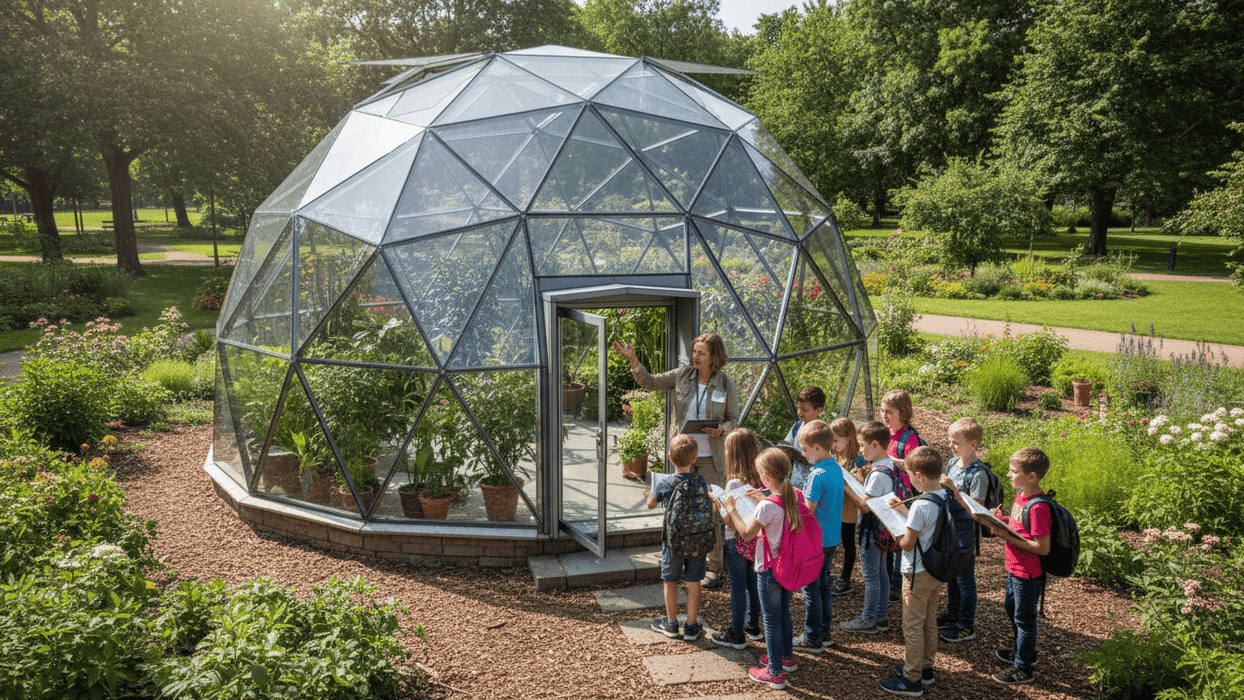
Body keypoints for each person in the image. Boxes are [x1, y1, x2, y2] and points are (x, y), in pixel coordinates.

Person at [615, 332, 740, 588]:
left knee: (713, 512)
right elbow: (650, 382)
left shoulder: (727, 384)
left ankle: (714, 566)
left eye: (701, 353)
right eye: (694, 351)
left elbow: (734, 419)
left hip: (711, 458)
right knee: (679, 509)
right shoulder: (683, 375)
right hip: (684, 456)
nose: (695, 357)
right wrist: (633, 360)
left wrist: (722, 429)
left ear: (714, 357)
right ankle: (681, 559)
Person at [947, 446, 1051, 685]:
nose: (1008, 475)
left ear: (1031, 476)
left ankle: (1023, 666)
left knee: (1025, 619)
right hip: (1014, 569)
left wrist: (1005, 536)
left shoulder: (1038, 507)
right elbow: (1019, 526)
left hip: (1028, 573)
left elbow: (1042, 547)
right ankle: (1022, 651)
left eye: (1013, 471)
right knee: (1012, 610)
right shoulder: (1021, 495)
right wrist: (1002, 520)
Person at [712, 448, 803, 690]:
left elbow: (746, 533)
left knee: (771, 619)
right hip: (790, 565)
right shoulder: (796, 496)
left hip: (769, 569)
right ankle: (786, 658)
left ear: (765, 477)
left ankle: (774, 672)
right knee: (784, 612)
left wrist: (731, 508)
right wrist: (761, 499)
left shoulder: (766, 507)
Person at [879, 446, 950, 696]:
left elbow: (907, 544)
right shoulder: (944, 495)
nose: (909, 480)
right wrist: (903, 511)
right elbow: (927, 525)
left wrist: (894, 529)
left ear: (918, 475)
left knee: (912, 625)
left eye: (910, 475)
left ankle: (911, 679)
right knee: (929, 621)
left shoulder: (921, 504)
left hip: (916, 571)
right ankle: (926, 668)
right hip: (936, 569)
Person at [647, 434, 712, 641]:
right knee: (694, 582)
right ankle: (691, 626)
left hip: (672, 542)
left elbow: (650, 504)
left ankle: (671, 624)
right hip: (697, 540)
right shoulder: (700, 481)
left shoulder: (665, 483)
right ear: (695, 459)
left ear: (669, 458)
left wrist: (653, 488)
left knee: (670, 580)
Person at [840, 420, 903, 634]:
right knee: (881, 574)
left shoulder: (878, 475)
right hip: (884, 529)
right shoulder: (887, 465)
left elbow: (865, 506)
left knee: (871, 577)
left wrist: (846, 484)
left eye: (862, 445)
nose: (860, 450)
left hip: (872, 531)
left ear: (874, 445)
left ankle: (868, 619)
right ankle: (881, 616)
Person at [792, 419, 844, 653]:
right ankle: (824, 632)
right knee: (823, 585)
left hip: (814, 541)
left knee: (810, 590)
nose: (803, 454)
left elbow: (807, 512)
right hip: (830, 539)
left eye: (804, 449)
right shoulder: (836, 469)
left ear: (816, 447)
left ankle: (812, 638)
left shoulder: (817, 475)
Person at [937, 417, 990, 644]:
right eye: (950, 441)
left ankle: (966, 625)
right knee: (952, 575)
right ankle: (953, 613)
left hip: (966, 533)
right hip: (949, 529)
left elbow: (977, 512)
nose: (951, 446)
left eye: (956, 442)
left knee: (965, 580)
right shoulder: (952, 463)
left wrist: (954, 491)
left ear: (972, 444)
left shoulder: (979, 474)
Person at [711, 429, 764, 649]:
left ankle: (736, 632)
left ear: (732, 454)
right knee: (754, 583)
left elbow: (731, 521)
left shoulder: (734, 483)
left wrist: (717, 502)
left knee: (737, 587)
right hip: (757, 540)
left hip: (737, 540)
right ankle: (752, 625)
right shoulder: (761, 479)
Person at [880, 389, 925, 601]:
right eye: (882, 411)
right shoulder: (885, 434)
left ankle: (898, 584)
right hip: (887, 493)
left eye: (890, 412)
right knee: (887, 534)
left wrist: (886, 459)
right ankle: (887, 578)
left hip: (904, 496)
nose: (884, 416)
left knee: (900, 537)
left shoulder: (909, 437)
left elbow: (912, 464)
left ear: (904, 414)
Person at [830, 417, 866, 596]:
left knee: (848, 543)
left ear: (849, 438)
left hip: (850, 509)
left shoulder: (858, 460)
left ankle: (845, 578)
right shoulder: (837, 456)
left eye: (836, 440)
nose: (833, 444)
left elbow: (862, 486)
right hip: (835, 507)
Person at [782, 386, 825, 490]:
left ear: (818, 410)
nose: (799, 413)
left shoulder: (822, 432)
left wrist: (798, 456)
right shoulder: (797, 426)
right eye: (798, 408)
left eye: (804, 410)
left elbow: (821, 460)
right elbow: (787, 443)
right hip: (794, 483)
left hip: (812, 486)